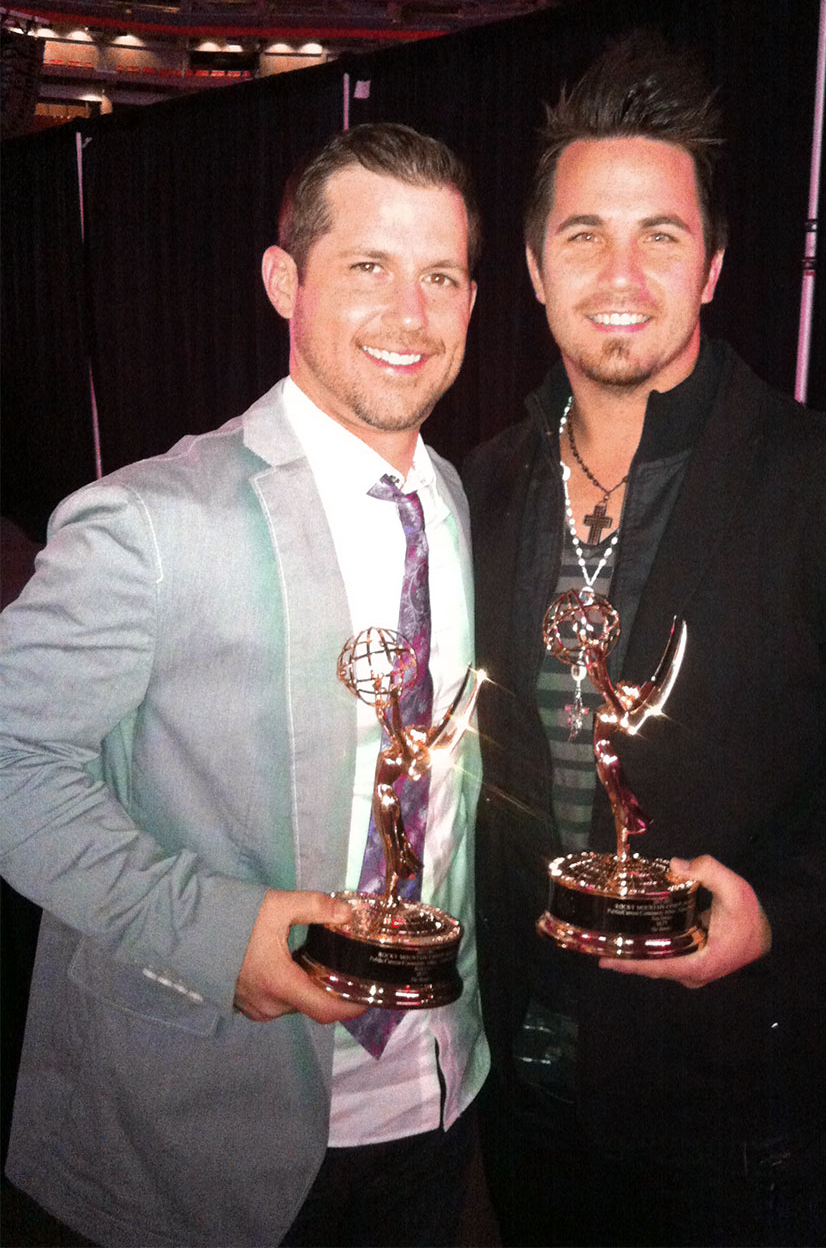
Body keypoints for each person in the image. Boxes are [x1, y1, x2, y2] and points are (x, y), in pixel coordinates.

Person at [462, 33, 826, 1247]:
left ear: (714, 265)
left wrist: (773, 904)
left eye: (663, 234)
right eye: (584, 232)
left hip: (725, 1086)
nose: (621, 270)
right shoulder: (476, 487)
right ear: (535, 265)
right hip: (520, 1072)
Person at [0, 122, 487, 1248]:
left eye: (441, 276)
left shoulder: (454, 500)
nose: (410, 313)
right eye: (368, 267)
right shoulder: (152, 524)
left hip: (433, 1095)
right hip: (196, 1131)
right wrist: (219, 934)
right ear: (286, 281)